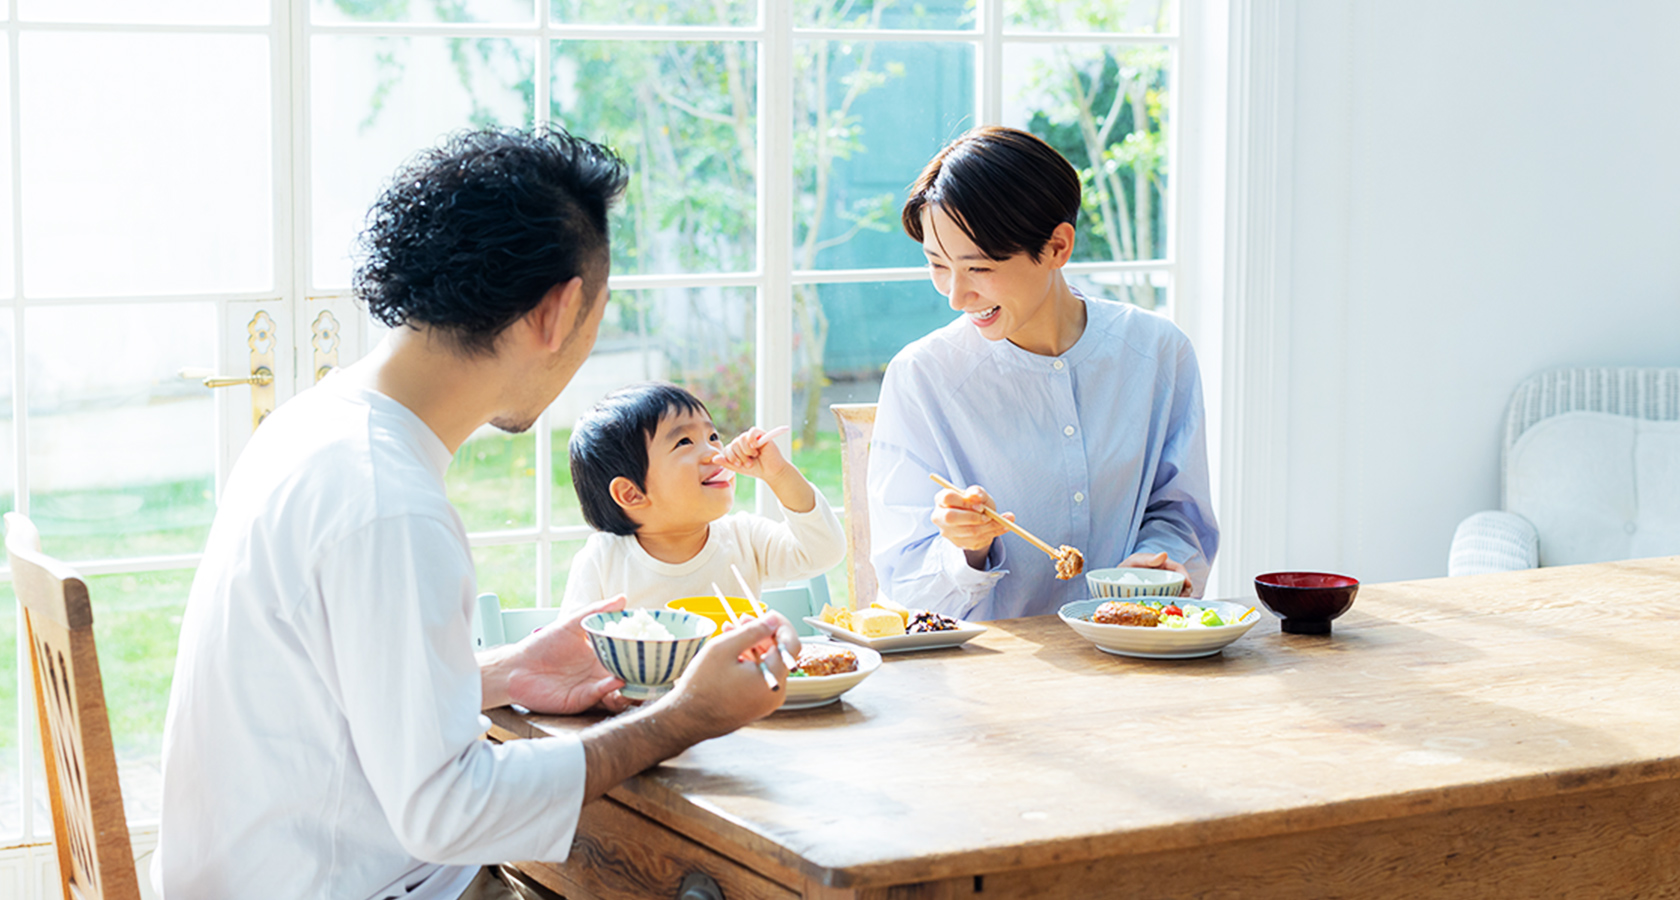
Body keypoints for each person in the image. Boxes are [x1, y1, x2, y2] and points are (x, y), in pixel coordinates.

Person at [152, 127, 800, 900]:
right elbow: (449, 811)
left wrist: (505, 670)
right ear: (557, 312)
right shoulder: (389, 507)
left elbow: (329, 695)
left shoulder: (312, 423)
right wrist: (687, 716)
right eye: (598, 317)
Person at [868, 125, 1219, 621]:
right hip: (984, 676)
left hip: (1131, 659)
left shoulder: (1158, 352)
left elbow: (1179, 514)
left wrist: (1157, 564)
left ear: (1057, 247)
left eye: (980, 268)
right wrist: (965, 550)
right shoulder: (922, 377)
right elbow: (905, 585)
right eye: (938, 265)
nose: (955, 295)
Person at [561, 382, 846, 612]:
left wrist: (779, 474)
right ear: (632, 493)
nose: (715, 453)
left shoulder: (745, 538)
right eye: (684, 442)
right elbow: (572, 650)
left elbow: (825, 551)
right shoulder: (601, 561)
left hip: (737, 685)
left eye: (712, 437)